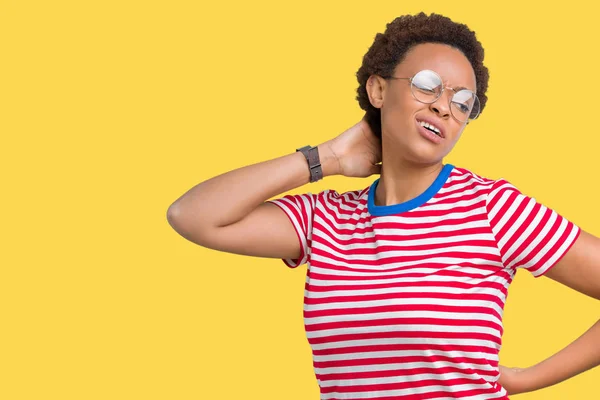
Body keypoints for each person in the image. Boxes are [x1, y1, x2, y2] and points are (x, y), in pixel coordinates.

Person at [166, 12, 600, 399]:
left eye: (463, 101)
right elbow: (194, 217)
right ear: (378, 89)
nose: (444, 107)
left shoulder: (492, 208)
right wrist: (327, 158)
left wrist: (526, 378)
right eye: (427, 85)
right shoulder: (327, 219)